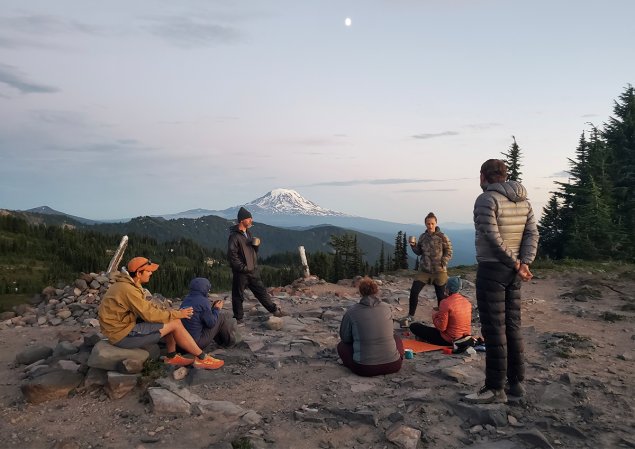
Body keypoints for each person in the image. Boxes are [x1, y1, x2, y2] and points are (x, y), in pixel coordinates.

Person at [464, 159, 538, 404]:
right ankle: (516, 383)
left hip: (492, 270)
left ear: (483, 176)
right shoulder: (524, 202)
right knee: (512, 326)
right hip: (513, 273)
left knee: (494, 330)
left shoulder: (486, 199)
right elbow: (531, 233)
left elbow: (492, 237)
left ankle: (495, 388)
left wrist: (517, 264)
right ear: (504, 176)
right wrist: (524, 262)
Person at [98, 256, 224, 370]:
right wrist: (178, 314)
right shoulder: (128, 289)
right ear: (138, 273)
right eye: (148, 271)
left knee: (169, 319)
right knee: (175, 323)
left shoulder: (130, 285)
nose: (151, 273)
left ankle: (172, 356)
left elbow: (148, 307)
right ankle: (202, 358)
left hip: (121, 329)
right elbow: (149, 314)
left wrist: (171, 312)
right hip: (121, 335)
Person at [228, 207, 287, 324]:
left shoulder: (248, 233)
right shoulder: (234, 237)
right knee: (238, 295)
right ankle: (238, 318)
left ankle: (274, 310)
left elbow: (252, 252)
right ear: (242, 220)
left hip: (252, 270)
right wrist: (243, 268)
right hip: (242, 272)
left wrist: (256, 246)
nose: (251, 221)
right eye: (249, 219)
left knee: (262, 292)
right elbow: (232, 256)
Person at [337, 277, 404, 377]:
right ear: (376, 291)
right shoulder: (387, 307)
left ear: (361, 292)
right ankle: (394, 357)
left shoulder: (351, 312)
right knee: (396, 338)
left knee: (342, 346)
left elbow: (345, 338)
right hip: (394, 365)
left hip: (365, 369)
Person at [403, 212, 453, 323]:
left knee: (440, 297)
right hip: (424, 270)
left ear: (436, 223)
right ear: (425, 224)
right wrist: (413, 246)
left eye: (432, 223)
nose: (430, 226)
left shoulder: (442, 237)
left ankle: (442, 320)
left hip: (439, 271)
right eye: (428, 223)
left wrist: (443, 262)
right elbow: (419, 252)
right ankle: (411, 315)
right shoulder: (422, 237)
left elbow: (449, 251)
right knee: (414, 291)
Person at [409, 276, 472, 347]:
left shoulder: (445, 302)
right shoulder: (467, 302)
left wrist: (434, 315)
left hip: (449, 340)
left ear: (448, 288)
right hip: (465, 338)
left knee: (414, 326)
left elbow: (441, 328)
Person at [180, 277, 239, 350]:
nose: (209, 290)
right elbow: (211, 323)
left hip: (181, 342)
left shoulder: (186, 299)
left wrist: (212, 309)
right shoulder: (203, 302)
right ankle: (228, 343)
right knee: (222, 317)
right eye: (208, 288)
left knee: (214, 317)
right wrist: (217, 309)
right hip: (195, 344)